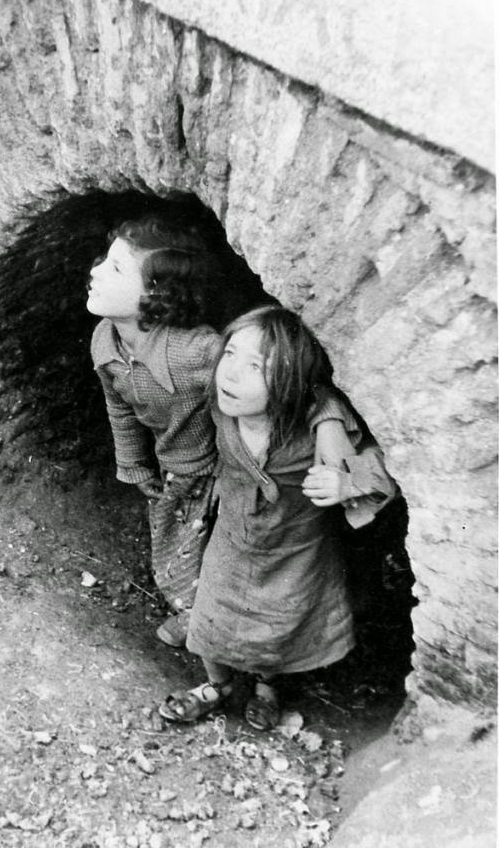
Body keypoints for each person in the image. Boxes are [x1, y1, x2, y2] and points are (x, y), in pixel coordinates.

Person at [159, 304, 397, 729]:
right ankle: (218, 685)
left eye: (256, 366)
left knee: (278, 626)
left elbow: (388, 466)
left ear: (290, 383)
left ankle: (268, 686)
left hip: (296, 552)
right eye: (230, 354)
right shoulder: (221, 409)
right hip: (232, 544)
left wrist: (348, 483)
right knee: (214, 618)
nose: (231, 373)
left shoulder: (311, 427)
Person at [87, 215, 226, 647]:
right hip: (176, 468)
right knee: (174, 545)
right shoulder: (105, 341)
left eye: (114, 269)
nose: (94, 271)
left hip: (224, 469)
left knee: (230, 550)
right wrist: (132, 462)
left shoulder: (197, 350)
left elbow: (265, 380)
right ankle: (197, 612)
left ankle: (213, 627)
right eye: (104, 261)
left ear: (156, 294)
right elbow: (120, 407)